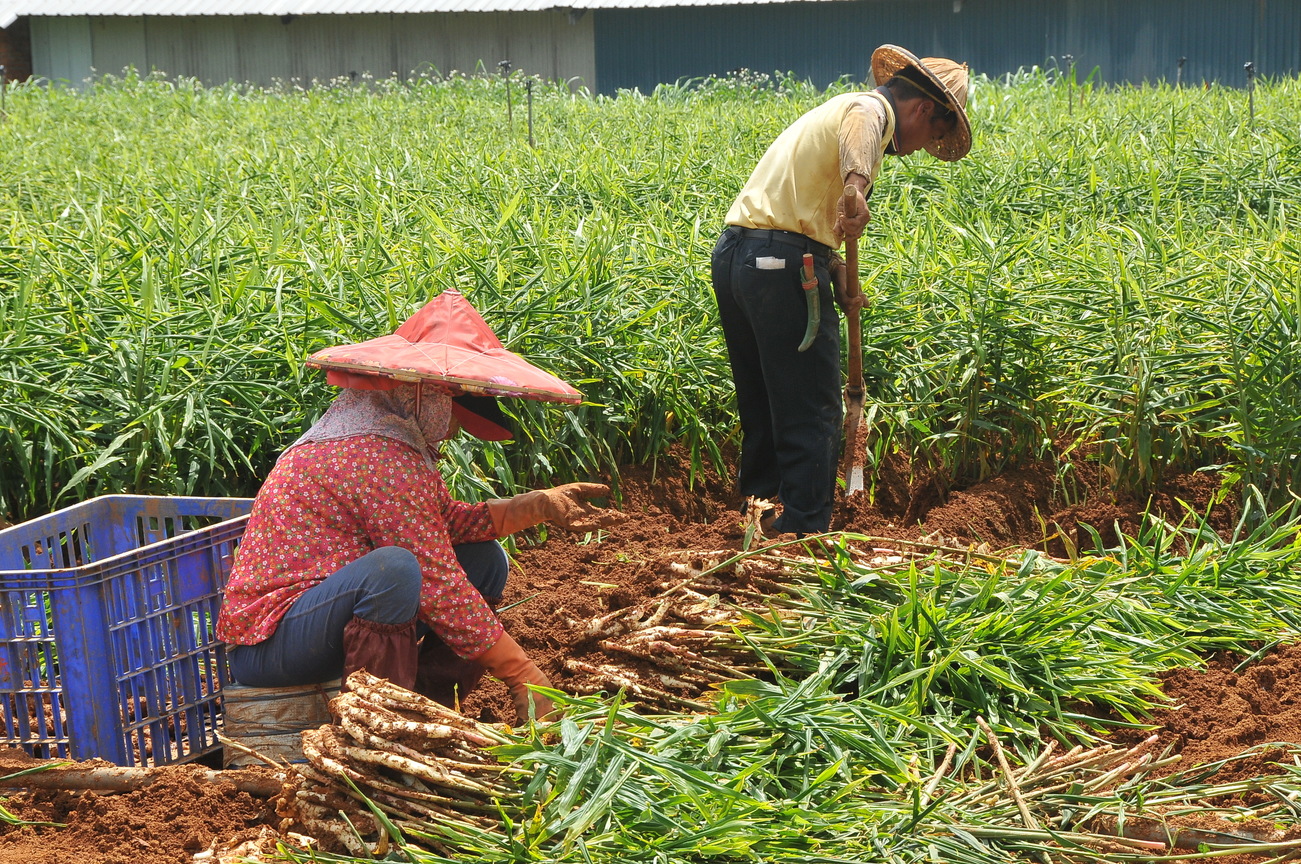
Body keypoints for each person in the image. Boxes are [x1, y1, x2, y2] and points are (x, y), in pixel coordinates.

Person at [215, 291, 623, 723]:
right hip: (272, 642)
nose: (452, 428)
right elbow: (434, 578)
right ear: (423, 396)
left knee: (483, 560)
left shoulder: (389, 439)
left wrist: (535, 505)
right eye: (453, 407)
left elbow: (440, 525)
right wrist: (521, 673)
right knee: (394, 570)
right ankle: (384, 724)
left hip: (324, 619)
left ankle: (431, 708)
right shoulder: (377, 454)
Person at [711, 45, 972, 535]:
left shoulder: (834, 112)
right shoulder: (869, 110)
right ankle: (806, 532)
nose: (918, 148)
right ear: (921, 110)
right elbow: (863, 133)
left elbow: (800, 219)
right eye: (931, 134)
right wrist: (856, 187)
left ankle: (759, 516)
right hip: (782, 265)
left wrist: (838, 273)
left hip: (738, 259)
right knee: (814, 407)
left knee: (766, 401)